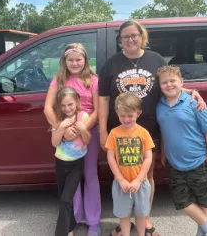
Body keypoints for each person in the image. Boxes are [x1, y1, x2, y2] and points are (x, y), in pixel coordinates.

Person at [98, 20, 207, 236]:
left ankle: (145, 219)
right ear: (120, 40)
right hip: (119, 130)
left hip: (149, 129)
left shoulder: (155, 59)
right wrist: (103, 130)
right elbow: (102, 99)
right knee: (123, 174)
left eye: (134, 35)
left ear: (142, 36)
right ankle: (125, 222)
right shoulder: (111, 64)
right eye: (125, 36)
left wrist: (190, 91)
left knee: (146, 175)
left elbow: (169, 84)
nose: (130, 39)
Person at [156, 66, 207, 236]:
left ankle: (204, 232)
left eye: (173, 81)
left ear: (181, 82)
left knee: (203, 200)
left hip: (198, 161)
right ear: (159, 85)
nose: (169, 85)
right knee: (182, 201)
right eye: (164, 82)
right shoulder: (159, 105)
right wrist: (163, 152)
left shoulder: (194, 103)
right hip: (174, 163)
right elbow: (164, 130)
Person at [44, 43, 102, 236]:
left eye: (78, 59)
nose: (75, 63)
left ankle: (94, 222)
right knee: (71, 179)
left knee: (90, 175)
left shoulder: (93, 80)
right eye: (71, 60)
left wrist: (83, 127)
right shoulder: (58, 79)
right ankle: (75, 218)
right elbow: (48, 108)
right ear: (64, 61)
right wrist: (61, 129)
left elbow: (97, 109)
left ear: (85, 60)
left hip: (87, 133)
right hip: (65, 136)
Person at [105, 93, 155, 236]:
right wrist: (120, 179)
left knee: (141, 214)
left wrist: (139, 179)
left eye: (130, 115)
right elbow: (111, 157)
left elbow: (148, 158)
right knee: (124, 215)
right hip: (121, 184)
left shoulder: (143, 133)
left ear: (138, 113)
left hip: (141, 183)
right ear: (117, 113)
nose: (126, 119)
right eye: (122, 115)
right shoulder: (114, 133)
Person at [50, 86, 92, 236]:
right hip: (60, 163)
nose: (67, 108)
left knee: (66, 199)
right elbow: (55, 143)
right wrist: (61, 127)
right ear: (59, 106)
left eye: (70, 104)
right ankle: (71, 224)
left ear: (77, 102)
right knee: (64, 197)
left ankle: (64, 232)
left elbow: (87, 141)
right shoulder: (58, 119)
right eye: (63, 105)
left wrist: (82, 129)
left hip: (76, 164)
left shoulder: (83, 117)